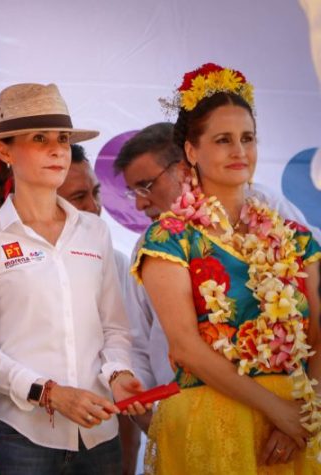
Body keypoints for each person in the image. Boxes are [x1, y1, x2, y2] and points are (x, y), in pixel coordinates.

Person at [132, 63, 321, 473]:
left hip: (293, 428)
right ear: (191, 151)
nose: (240, 151)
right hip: (212, 423)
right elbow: (185, 347)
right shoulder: (170, 239)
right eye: (223, 140)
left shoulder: (297, 239)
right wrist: (278, 410)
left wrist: (303, 416)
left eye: (247, 138)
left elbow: (319, 337)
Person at [0, 83, 148, 475]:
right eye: (40, 138)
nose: (57, 150)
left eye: (62, 138)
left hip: (99, 430)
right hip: (21, 435)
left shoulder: (95, 231)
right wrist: (51, 394)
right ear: (5, 151)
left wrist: (119, 373)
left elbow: (114, 329)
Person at [57, 144, 141, 475]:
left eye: (96, 193)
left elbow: (125, 352)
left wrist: (127, 459)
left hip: (102, 435)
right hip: (27, 433)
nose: (94, 207)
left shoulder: (116, 261)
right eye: (79, 197)